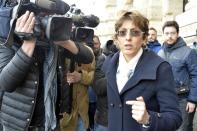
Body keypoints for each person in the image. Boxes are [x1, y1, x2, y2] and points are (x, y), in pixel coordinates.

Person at [0, 11, 93, 131]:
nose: (44, 21)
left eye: (47, 16)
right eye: (40, 17)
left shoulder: (53, 43)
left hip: (51, 122)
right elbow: (6, 84)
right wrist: (28, 43)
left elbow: (88, 57)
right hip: (19, 125)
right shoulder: (7, 40)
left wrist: (64, 40)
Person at [101, 10, 182, 131]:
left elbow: (175, 118)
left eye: (135, 33)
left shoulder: (160, 68)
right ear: (117, 38)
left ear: (144, 38)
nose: (128, 38)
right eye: (122, 33)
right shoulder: (109, 63)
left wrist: (148, 119)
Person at [158, 20, 197, 131]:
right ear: (163, 34)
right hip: (164, 99)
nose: (170, 36)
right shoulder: (160, 53)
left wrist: (193, 100)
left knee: (183, 128)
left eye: (173, 33)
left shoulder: (189, 52)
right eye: (167, 33)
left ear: (178, 34)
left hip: (183, 100)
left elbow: (195, 76)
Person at [60, 46, 95, 131]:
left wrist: (82, 77)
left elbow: (94, 76)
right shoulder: (57, 48)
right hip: (62, 114)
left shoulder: (87, 51)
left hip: (81, 112)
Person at [92, 39, 119, 131]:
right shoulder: (102, 59)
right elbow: (98, 87)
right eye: (122, 33)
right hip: (105, 119)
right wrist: (118, 75)